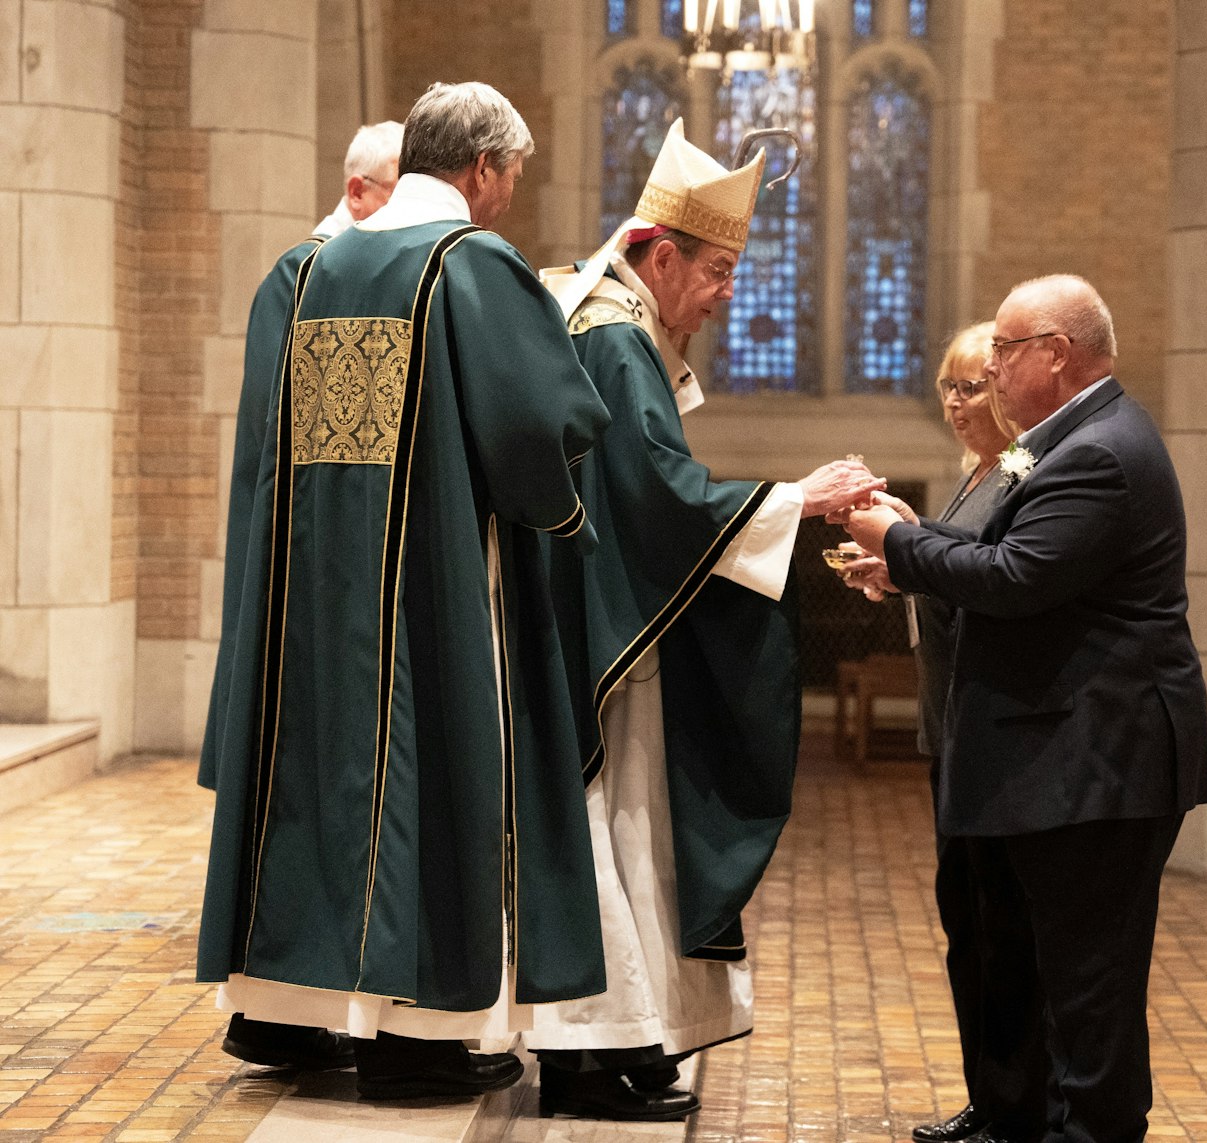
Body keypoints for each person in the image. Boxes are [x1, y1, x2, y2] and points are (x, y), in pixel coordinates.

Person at [196, 81, 613, 1101]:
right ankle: (418, 1037)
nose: (506, 197)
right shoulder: (467, 265)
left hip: (306, 587)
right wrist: (564, 505)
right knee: (428, 771)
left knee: (313, 776)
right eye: (508, 176)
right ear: (479, 169)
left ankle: (290, 1013)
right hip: (431, 583)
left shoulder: (308, 269)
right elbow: (540, 427)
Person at [524, 118, 883, 1122]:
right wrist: (793, 500)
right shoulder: (613, 336)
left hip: (612, 621)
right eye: (719, 271)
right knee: (615, 824)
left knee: (634, 828)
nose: (729, 295)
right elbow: (659, 496)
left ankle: (630, 1036)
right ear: (662, 254)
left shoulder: (619, 327)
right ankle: (590, 1051)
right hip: (609, 638)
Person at [844, 275, 1207, 1143]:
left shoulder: (1099, 452)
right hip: (1062, 755)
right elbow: (996, 544)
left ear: (1056, 353)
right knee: (1045, 972)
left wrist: (895, 540)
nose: (993, 367)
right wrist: (916, 548)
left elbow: (1014, 576)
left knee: (1091, 994)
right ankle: (1022, 1117)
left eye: (1005, 351)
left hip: (1101, 760)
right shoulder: (1058, 443)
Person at [197, 118, 405, 1076]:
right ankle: (279, 1008)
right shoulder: (310, 277)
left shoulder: (346, 274)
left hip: (340, 575)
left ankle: (297, 1005)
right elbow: (321, 447)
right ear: (360, 192)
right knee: (308, 786)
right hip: (315, 578)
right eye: (402, 195)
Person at [837, 322, 1049, 1143]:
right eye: (948, 390)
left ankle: (1017, 1105)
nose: (960, 405)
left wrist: (908, 542)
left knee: (1005, 930)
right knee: (968, 926)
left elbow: (998, 571)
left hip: (994, 736)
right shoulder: (973, 475)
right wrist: (902, 557)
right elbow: (957, 559)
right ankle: (989, 1098)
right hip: (951, 729)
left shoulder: (1027, 465)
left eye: (975, 387)